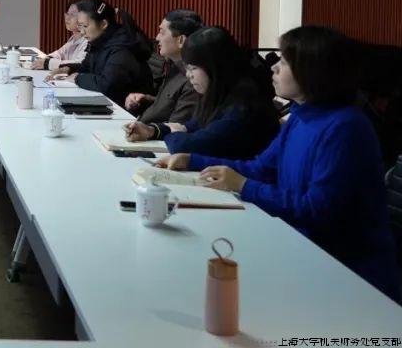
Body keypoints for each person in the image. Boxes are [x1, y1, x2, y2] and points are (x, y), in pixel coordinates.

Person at [158, 26, 399, 300]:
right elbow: (261, 169)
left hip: (349, 277)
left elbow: (317, 210)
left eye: (283, 62)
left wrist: (245, 186)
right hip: (303, 251)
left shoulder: (345, 127)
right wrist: (193, 160)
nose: (273, 68)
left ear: (312, 71)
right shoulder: (301, 116)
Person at [124, 26, 278, 158]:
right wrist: (152, 131)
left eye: (193, 68)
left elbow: (187, 145)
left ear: (215, 68)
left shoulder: (244, 105)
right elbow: (192, 126)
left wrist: (176, 133)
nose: (188, 75)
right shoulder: (220, 93)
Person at [47, 0, 152, 106]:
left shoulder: (121, 47)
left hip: (126, 109)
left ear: (103, 24)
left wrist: (77, 78)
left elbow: (107, 86)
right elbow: (85, 67)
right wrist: (68, 70)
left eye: (85, 26)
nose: (82, 32)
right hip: (107, 102)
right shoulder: (98, 41)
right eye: (80, 26)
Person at [124, 9, 203, 123]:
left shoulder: (193, 80)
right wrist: (146, 100)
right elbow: (172, 104)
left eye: (162, 32)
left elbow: (177, 127)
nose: (157, 38)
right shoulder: (173, 66)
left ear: (180, 40)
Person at [31, 0, 87, 71]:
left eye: (72, 15)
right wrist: (46, 59)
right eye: (67, 14)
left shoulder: (88, 40)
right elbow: (59, 53)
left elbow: (79, 63)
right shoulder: (74, 38)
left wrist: (47, 63)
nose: (67, 18)